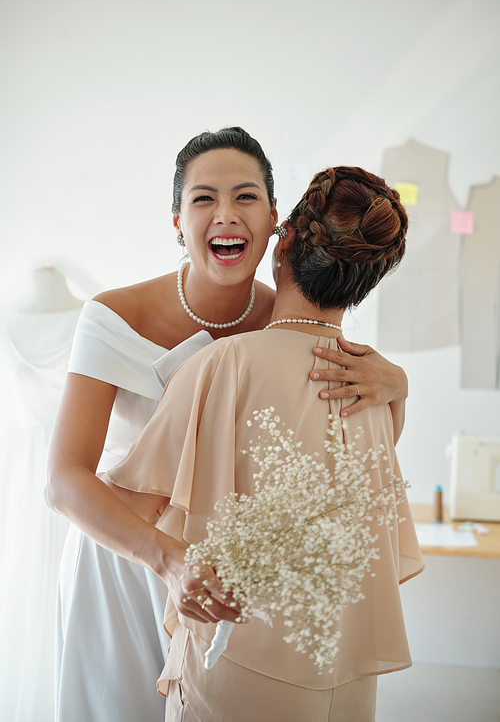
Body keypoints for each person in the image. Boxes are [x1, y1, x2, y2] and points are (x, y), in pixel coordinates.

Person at [47, 130, 410, 722]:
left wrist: (397, 386)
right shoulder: (113, 316)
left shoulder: (291, 322)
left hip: (232, 584)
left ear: (274, 224)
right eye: (202, 199)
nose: (225, 215)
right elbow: (64, 481)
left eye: (245, 197)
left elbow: (334, 453)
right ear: (176, 221)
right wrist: (167, 560)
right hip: (120, 556)